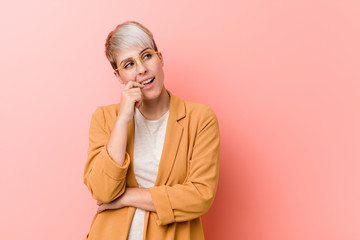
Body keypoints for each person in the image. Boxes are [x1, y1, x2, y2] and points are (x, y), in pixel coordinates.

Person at [83, 21, 220, 240]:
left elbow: (200, 196)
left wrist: (125, 197)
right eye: (128, 65)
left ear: (160, 58)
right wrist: (122, 121)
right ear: (118, 77)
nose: (141, 69)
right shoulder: (105, 118)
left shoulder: (200, 119)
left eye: (147, 56)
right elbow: (102, 191)